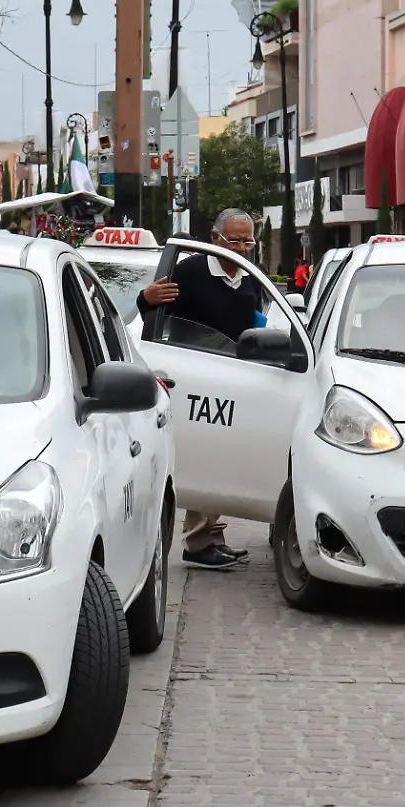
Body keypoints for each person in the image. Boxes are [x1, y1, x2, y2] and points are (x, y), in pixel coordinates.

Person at [138, 208, 264, 571]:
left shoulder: (250, 278)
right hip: (197, 375)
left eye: (247, 241)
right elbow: (154, 311)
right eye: (233, 241)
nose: (240, 248)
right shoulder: (192, 272)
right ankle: (197, 542)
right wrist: (146, 299)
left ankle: (211, 537)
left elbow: (256, 323)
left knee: (225, 458)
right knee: (208, 455)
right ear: (214, 240)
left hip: (236, 378)